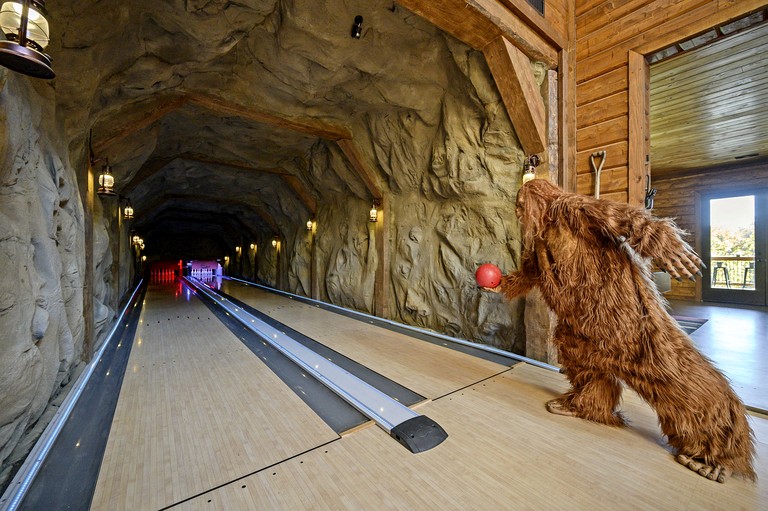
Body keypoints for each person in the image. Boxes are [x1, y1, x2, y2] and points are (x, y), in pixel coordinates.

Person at [484, 178, 755, 483]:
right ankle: (590, 405)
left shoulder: (571, 209)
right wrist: (502, 285)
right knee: (582, 364)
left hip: (622, 318)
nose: (519, 212)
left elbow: (629, 220)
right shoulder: (541, 240)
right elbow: (530, 274)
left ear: (540, 199)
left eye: (523, 205)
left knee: (670, 372)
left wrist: (664, 245)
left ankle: (719, 448)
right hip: (579, 325)